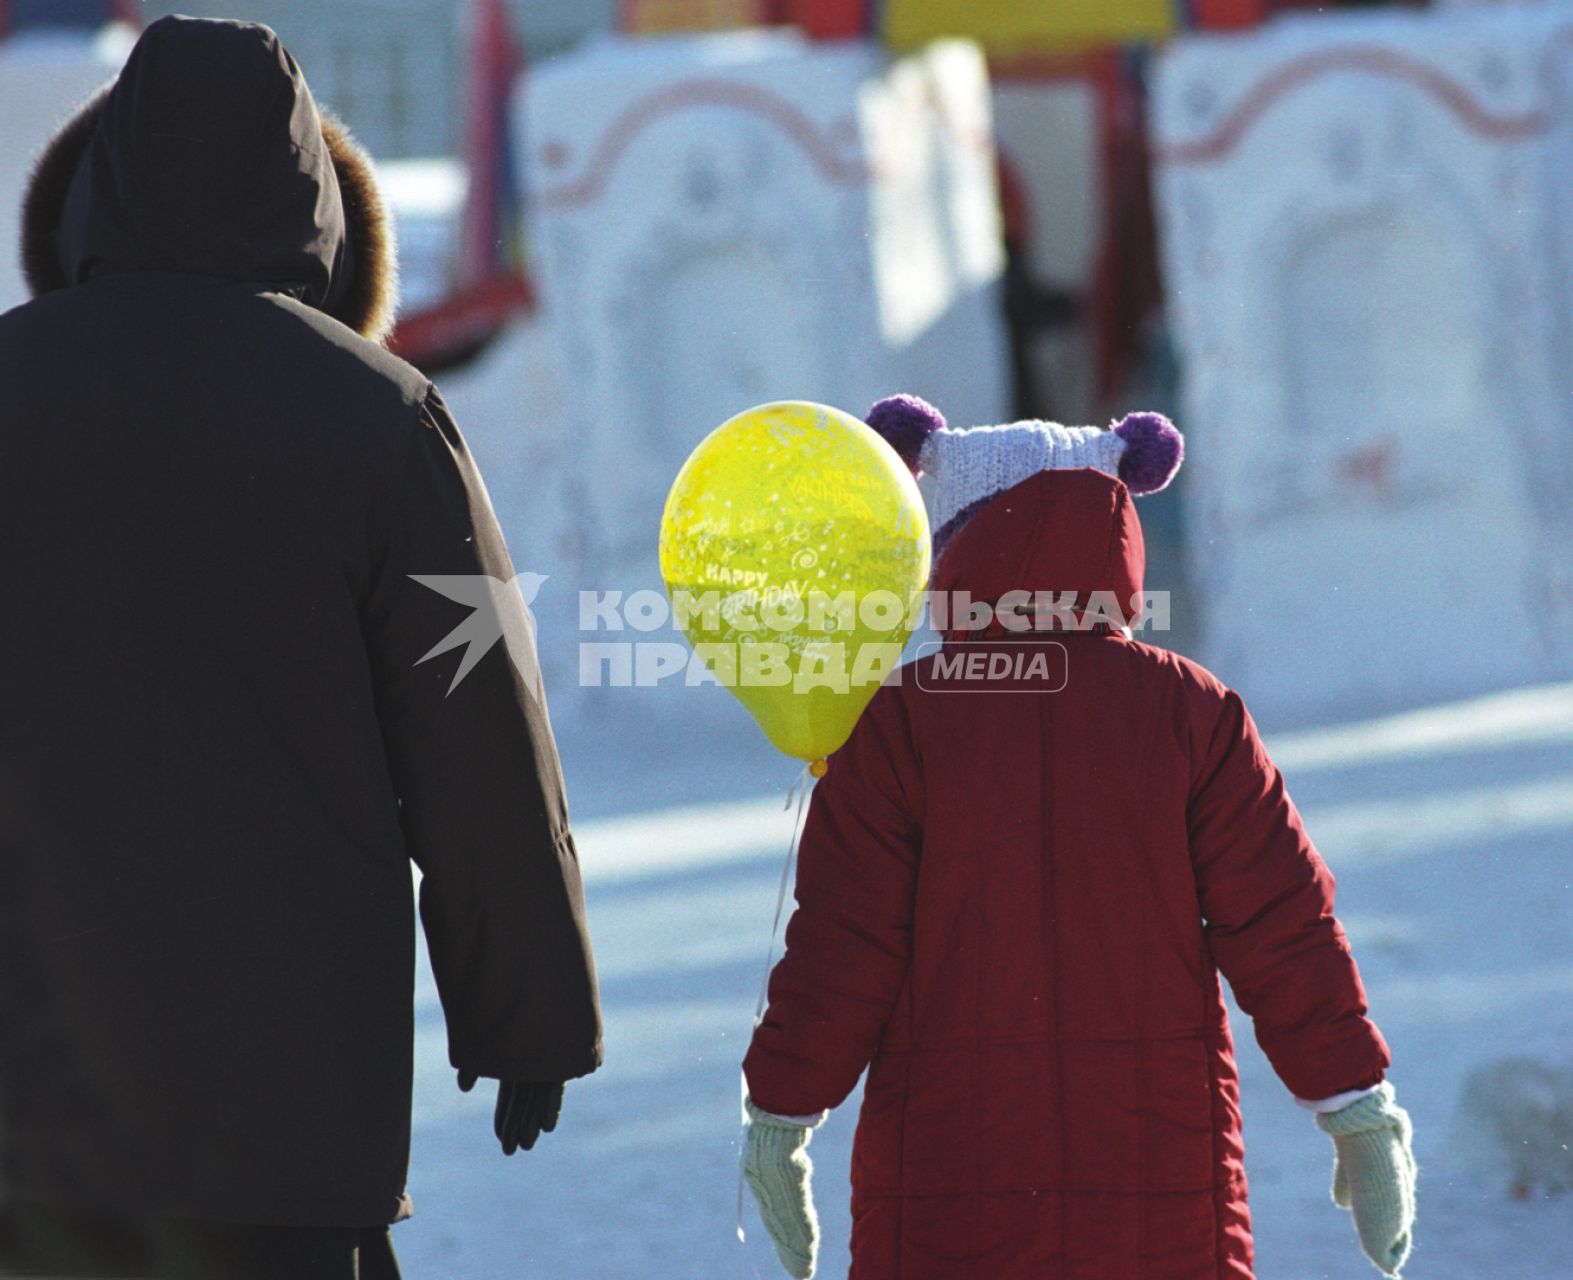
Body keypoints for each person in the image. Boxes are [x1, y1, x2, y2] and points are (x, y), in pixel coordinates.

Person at [0, 16, 601, 1279]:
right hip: (283, 1119)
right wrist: (527, 1010)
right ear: (314, 194)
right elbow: (478, 732)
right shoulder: (382, 420)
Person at [740, 397, 1416, 1279]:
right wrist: (1353, 1102)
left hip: (947, 1175)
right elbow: (1282, 924)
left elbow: (842, 945)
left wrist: (780, 1114)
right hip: (1158, 1168)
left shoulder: (897, 722)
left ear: (945, 543)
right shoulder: (1190, 711)